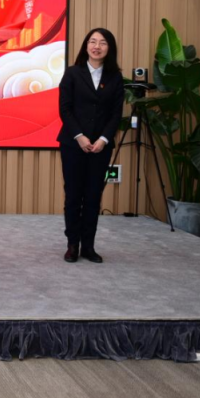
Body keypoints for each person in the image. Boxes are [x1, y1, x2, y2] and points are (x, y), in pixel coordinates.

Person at [57, 27, 124, 263]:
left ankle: (89, 246)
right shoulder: (72, 73)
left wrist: (103, 139)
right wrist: (80, 136)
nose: (97, 46)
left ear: (109, 48)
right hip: (73, 144)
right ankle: (72, 245)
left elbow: (116, 114)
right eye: (93, 42)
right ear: (86, 46)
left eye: (102, 43)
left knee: (93, 196)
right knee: (73, 196)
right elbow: (65, 109)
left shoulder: (115, 78)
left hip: (100, 147)